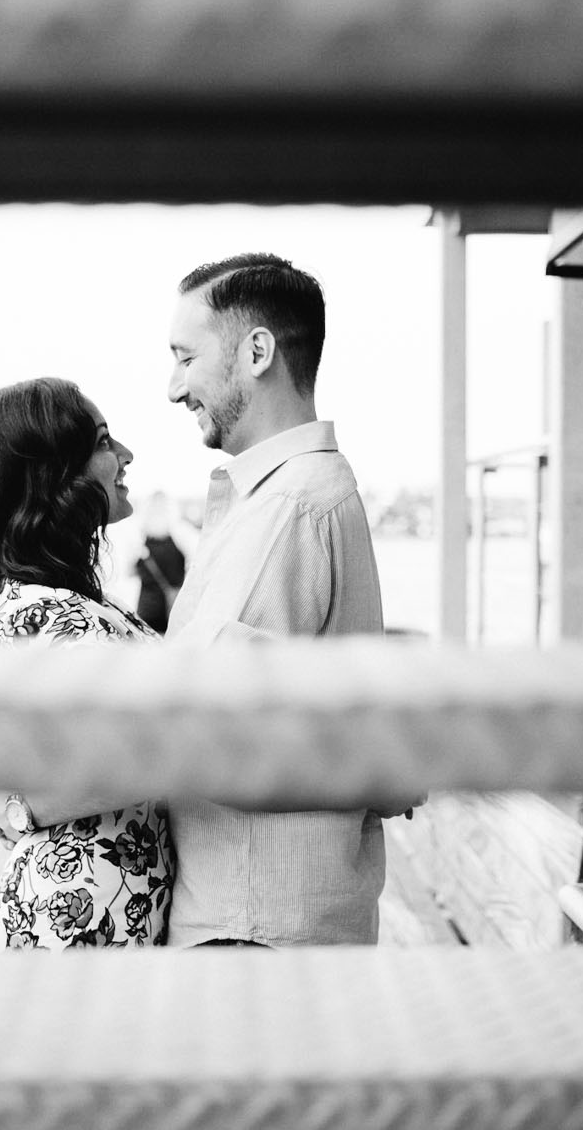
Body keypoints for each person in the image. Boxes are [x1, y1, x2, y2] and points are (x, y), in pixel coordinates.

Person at [162, 253, 403, 947]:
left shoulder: (289, 509)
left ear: (257, 350)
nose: (174, 386)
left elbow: (196, 723)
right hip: (274, 925)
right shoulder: (293, 498)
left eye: (185, 357)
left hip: (248, 932)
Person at [0, 377, 172, 950]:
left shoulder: (72, 605)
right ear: (54, 476)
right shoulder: (41, 613)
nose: (126, 455)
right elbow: (131, 759)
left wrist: (16, 804)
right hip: (59, 941)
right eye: (105, 442)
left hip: (84, 931)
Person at [131, 491, 189, 633]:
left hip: (147, 611)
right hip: (172, 611)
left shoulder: (143, 547)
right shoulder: (178, 542)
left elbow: (131, 572)